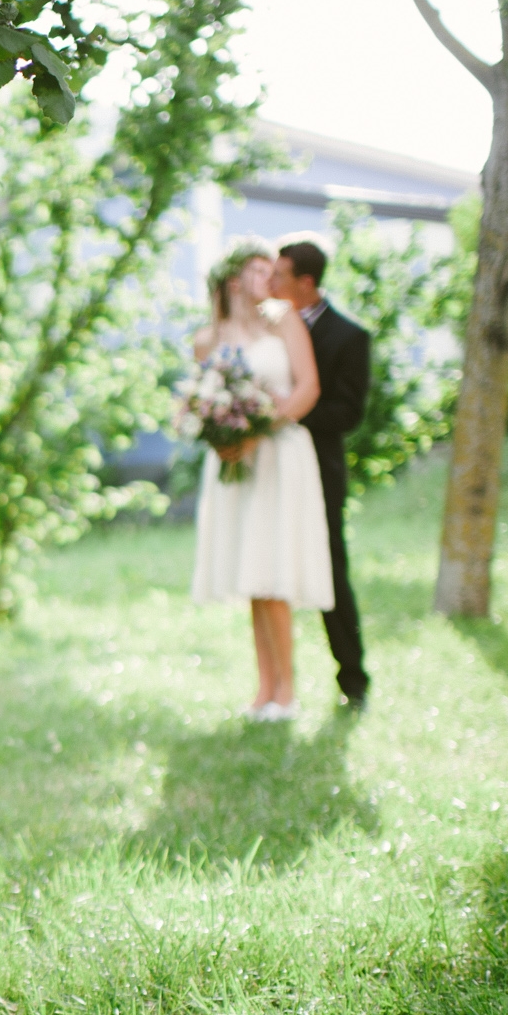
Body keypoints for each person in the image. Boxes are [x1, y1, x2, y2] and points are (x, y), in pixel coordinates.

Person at [189, 239, 333, 721]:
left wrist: (260, 431)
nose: (269, 281)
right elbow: (199, 402)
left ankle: (287, 692)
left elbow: (308, 388)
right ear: (234, 280)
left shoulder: (284, 321)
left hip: (279, 457)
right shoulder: (208, 339)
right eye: (259, 271)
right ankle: (264, 688)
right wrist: (222, 438)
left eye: (273, 272)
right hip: (237, 466)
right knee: (252, 576)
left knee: (273, 574)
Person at [271, 236, 372, 710]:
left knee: (332, 568)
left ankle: (352, 677)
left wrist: (289, 413)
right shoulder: (266, 331)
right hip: (269, 468)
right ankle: (276, 686)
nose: (271, 283)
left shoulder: (349, 337)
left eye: (280, 276)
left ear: (305, 283)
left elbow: (349, 413)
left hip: (319, 468)